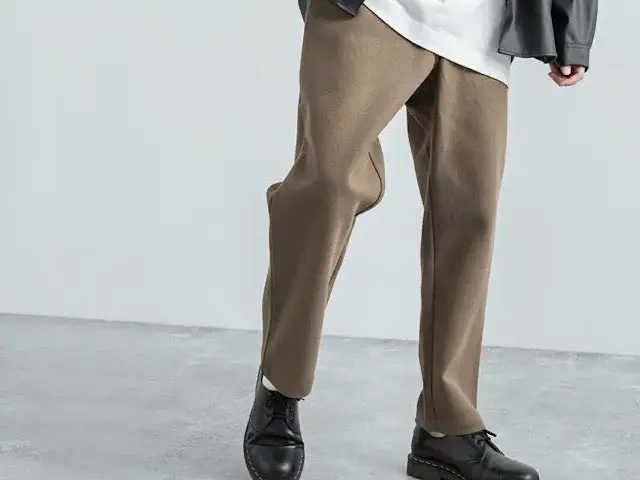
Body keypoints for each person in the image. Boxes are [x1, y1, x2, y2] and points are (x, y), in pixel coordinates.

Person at [242, 0, 598, 479]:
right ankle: (279, 385)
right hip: (373, 10)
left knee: (469, 217)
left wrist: (572, 27)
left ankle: (446, 429)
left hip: (480, 26)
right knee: (327, 184)